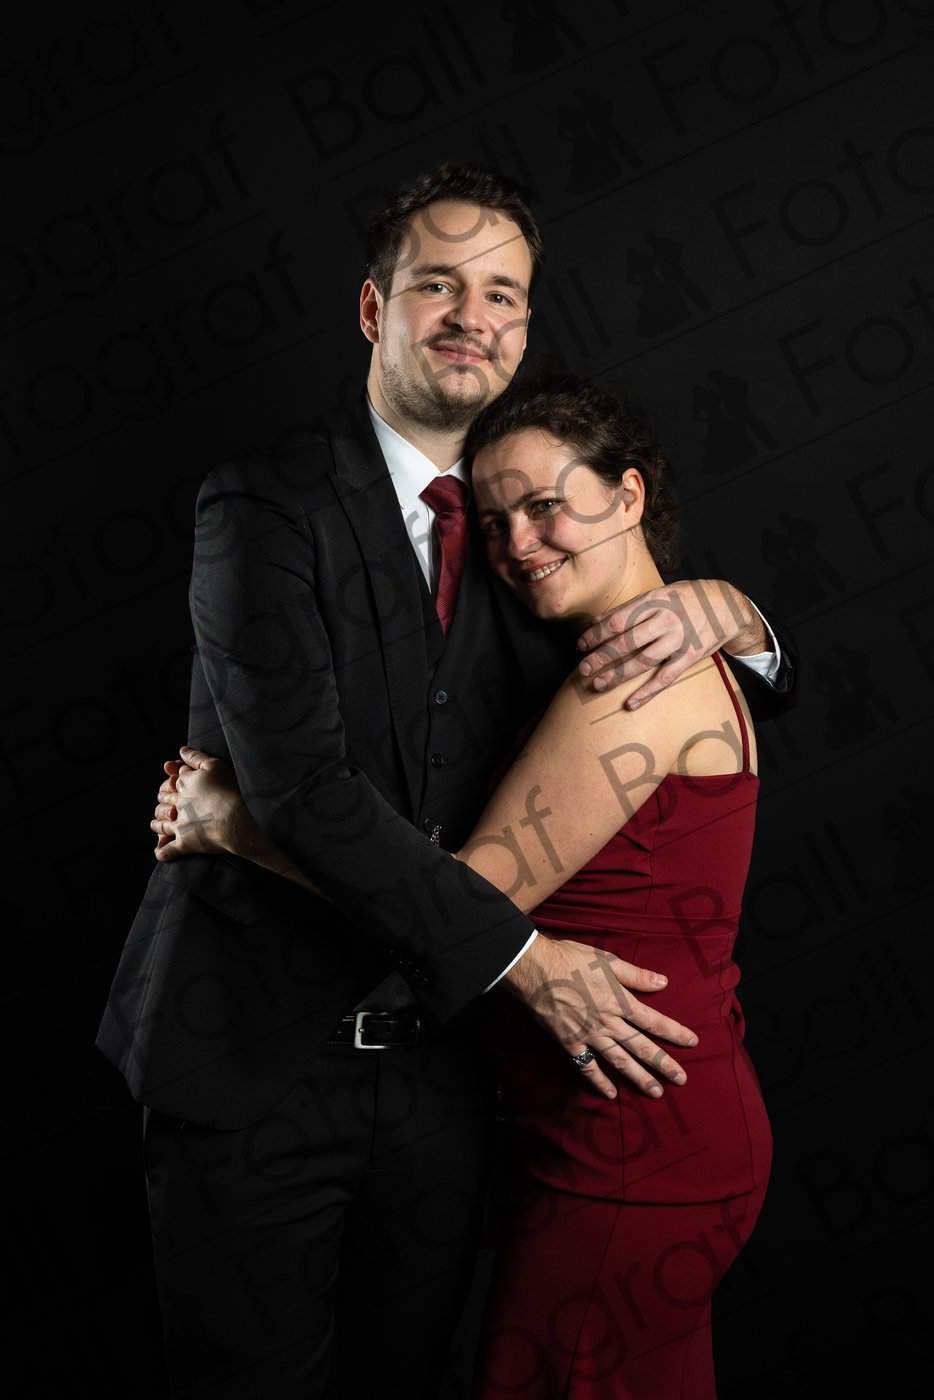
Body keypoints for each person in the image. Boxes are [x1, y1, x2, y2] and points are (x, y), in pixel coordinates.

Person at [97, 162, 795, 1398]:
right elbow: (309, 788)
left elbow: (665, 687)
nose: (473, 316)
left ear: (525, 325)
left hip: (443, 1079)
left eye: (503, 294)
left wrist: (737, 614)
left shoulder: (529, 541)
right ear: (376, 308)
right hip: (256, 1062)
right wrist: (524, 958)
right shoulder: (265, 504)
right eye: (438, 285)